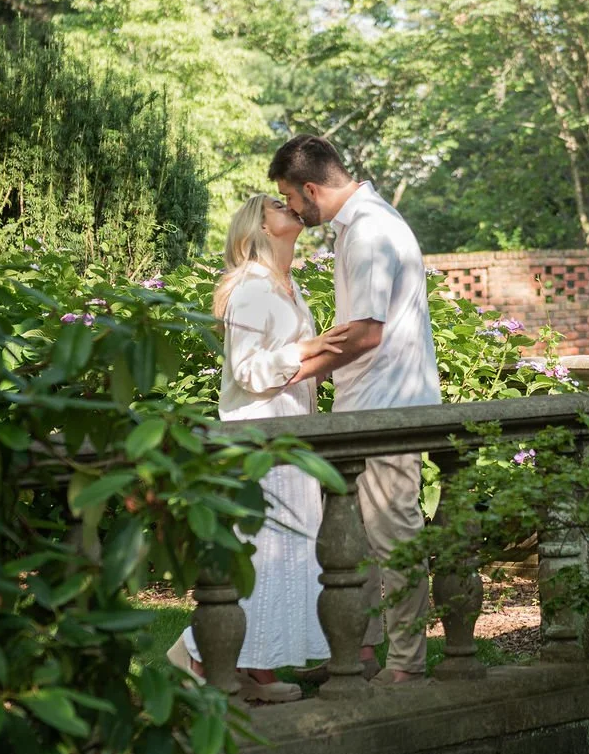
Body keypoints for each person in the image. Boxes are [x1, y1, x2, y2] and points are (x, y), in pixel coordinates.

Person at [268, 136, 441, 685]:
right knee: (358, 540)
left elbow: (365, 333)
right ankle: (362, 656)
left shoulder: (368, 231)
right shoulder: (365, 223)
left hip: (387, 408)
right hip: (367, 404)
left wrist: (287, 374)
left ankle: (407, 665)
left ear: (311, 188)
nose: (291, 208)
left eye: (290, 197)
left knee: (394, 535)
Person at [167, 194, 348, 701]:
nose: (290, 206)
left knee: (285, 555)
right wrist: (307, 348)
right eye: (276, 205)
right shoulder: (249, 288)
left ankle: (252, 670)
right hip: (259, 439)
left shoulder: (287, 288)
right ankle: (200, 655)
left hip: (289, 439)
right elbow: (247, 372)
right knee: (264, 555)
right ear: (257, 228)